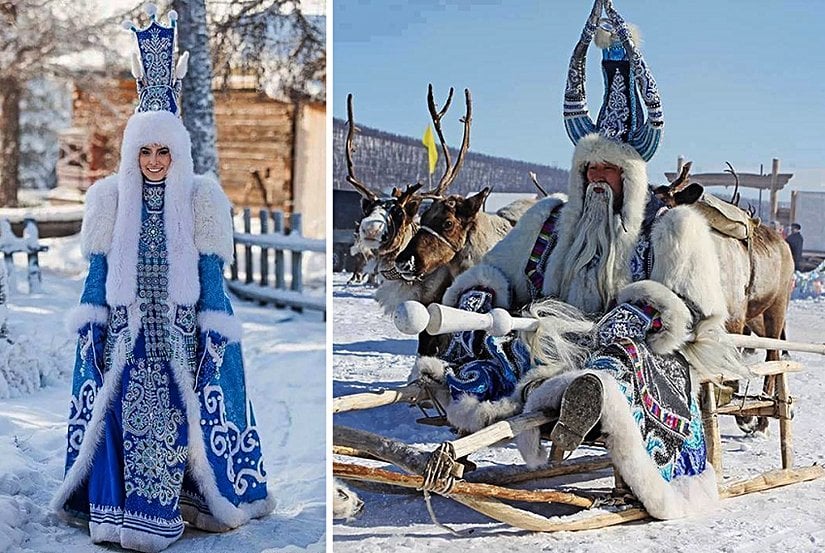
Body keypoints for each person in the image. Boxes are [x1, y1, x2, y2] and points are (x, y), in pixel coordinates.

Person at [412, 0, 744, 521]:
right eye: (587, 168)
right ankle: (475, 397)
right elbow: (499, 271)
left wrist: (633, 317)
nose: (594, 179)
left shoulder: (671, 229)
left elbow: (695, 314)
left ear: (630, 178)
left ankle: (591, 400)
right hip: (557, 342)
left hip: (643, 352)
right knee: (503, 348)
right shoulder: (549, 221)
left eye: (607, 170)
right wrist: (481, 296)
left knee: (621, 364)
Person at [50, 7, 273, 552]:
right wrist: (92, 326)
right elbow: (98, 273)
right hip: (126, 336)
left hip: (175, 336)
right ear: (132, 152)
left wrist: (216, 330)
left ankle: (157, 519)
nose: (154, 161)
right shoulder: (109, 199)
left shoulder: (202, 199)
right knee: (121, 427)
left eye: (163, 151)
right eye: (144, 150)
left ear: (179, 152)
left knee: (171, 429)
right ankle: (114, 516)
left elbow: (210, 275)